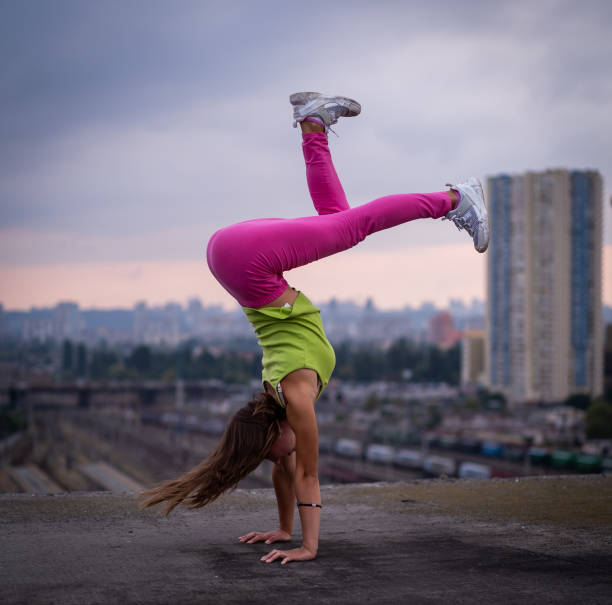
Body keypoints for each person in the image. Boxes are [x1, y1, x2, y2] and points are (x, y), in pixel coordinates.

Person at [140, 91, 489, 565]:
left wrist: (308, 546)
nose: (278, 460)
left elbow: (307, 474)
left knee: (353, 228)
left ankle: (453, 199)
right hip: (231, 257)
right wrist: (283, 529)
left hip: (247, 262)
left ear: (272, 434)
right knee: (339, 221)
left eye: (269, 454)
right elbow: (288, 470)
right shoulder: (275, 399)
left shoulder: (296, 400)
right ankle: (314, 127)